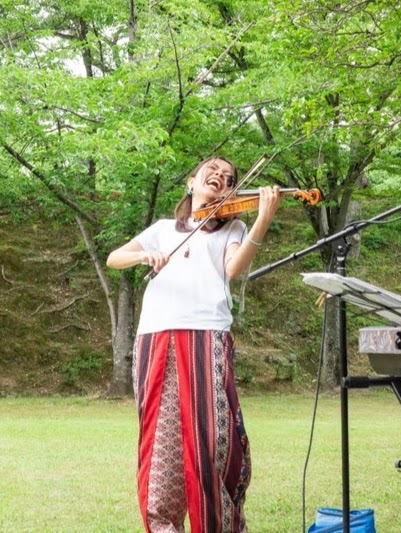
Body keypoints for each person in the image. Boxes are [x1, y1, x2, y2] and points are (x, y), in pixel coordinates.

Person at [107, 156, 281, 533]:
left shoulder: (233, 226)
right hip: (156, 337)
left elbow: (232, 269)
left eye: (229, 177)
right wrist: (143, 255)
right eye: (213, 171)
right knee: (160, 446)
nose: (221, 177)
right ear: (192, 182)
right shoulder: (163, 228)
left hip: (207, 336)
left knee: (211, 444)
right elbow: (114, 258)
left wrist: (263, 219)